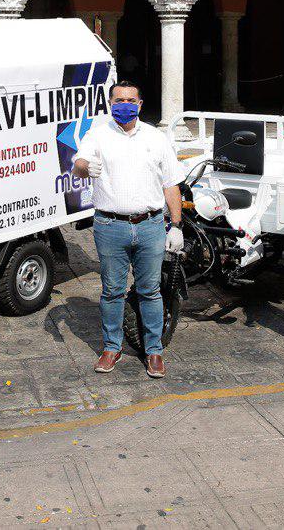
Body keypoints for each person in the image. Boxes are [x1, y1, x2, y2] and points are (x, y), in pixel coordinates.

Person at [72, 81, 183, 378]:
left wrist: (176, 225)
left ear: (140, 104)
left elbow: (171, 183)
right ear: (110, 103)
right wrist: (85, 169)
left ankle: (154, 351)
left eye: (130, 100)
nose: (124, 104)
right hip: (110, 226)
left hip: (150, 225)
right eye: (118, 100)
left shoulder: (156, 138)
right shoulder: (98, 134)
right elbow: (78, 163)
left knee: (150, 291)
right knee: (111, 292)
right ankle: (112, 347)